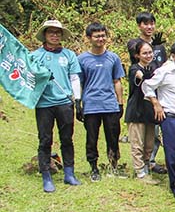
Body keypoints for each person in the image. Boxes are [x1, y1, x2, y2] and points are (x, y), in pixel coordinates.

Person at [31, 20, 82, 192]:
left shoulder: (69, 55)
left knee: (67, 138)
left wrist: (77, 99)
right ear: (45, 35)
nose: (54, 35)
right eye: (51, 32)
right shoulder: (35, 56)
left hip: (65, 102)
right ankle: (46, 176)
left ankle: (69, 173)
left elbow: (74, 78)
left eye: (58, 32)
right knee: (45, 140)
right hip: (44, 104)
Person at [143, 40, 175, 200]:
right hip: (171, 116)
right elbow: (147, 86)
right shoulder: (165, 70)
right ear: (173, 56)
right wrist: (156, 104)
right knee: (172, 152)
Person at [78, 22, 125, 181]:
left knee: (113, 136)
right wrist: (78, 104)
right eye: (97, 36)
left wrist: (120, 103)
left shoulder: (113, 58)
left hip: (110, 104)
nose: (101, 38)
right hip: (91, 105)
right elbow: (79, 83)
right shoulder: (82, 59)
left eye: (103, 35)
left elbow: (117, 81)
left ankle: (114, 165)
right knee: (91, 138)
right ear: (89, 38)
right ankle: (93, 167)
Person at [125, 40, 157, 180]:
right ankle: (139, 172)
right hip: (136, 110)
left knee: (149, 143)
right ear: (138, 55)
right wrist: (145, 76)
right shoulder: (134, 68)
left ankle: (146, 166)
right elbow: (139, 74)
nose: (148, 55)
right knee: (137, 143)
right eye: (144, 53)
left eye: (150, 52)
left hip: (150, 111)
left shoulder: (154, 68)